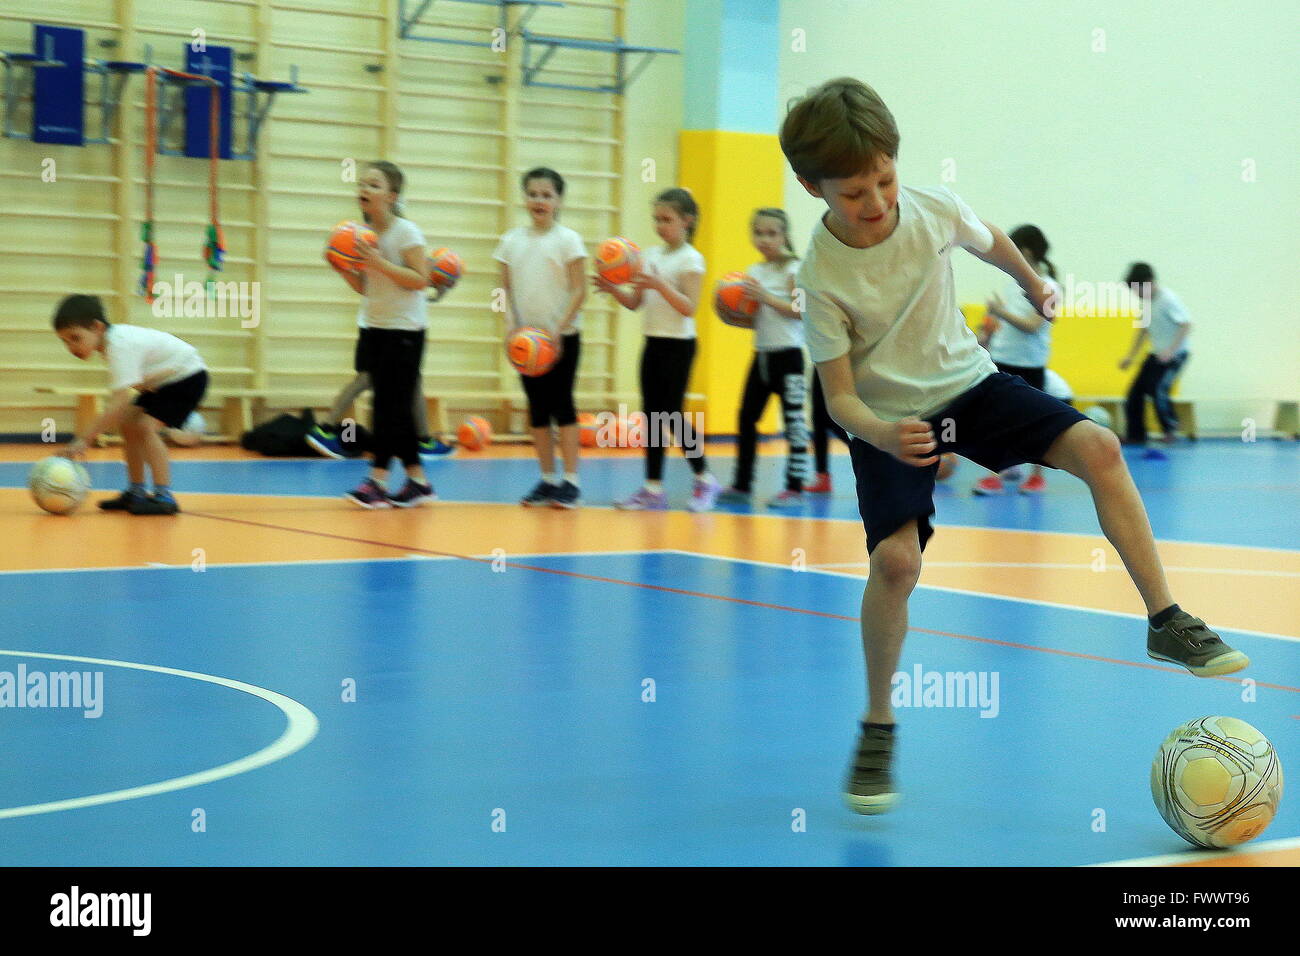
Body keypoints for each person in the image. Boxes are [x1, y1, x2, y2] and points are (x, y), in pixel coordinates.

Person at [781, 77, 1249, 815]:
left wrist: (1031, 285)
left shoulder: (931, 209)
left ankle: (1166, 620)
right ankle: (877, 724)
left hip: (971, 386)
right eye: (852, 192)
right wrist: (880, 432)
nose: (875, 202)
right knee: (896, 563)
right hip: (888, 417)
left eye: (884, 179)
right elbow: (839, 398)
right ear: (813, 187)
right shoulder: (820, 277)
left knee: (1098, 446)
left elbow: (987, 237)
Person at [597, 187, 722, 512]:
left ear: (687, 221)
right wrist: (614, 289)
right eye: (656, 219)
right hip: (652, 342)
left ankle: (705, 479)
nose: (660, 225)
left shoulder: (691, 259)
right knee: (652, 417)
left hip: (679, 347)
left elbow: (689, 307)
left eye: (666, 219)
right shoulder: (649, 255)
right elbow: (635, 302)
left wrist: (659, 284)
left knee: (672, 416)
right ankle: (652, 488)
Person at [333, 161, 435, 508]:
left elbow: (421, 279)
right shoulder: (362, 235)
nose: (365, 189)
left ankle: (377, 481)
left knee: (387, 409)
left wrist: (378, 263)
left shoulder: (406, 232)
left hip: (405, 332)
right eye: (362, 184)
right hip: (374, 327)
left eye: (375, 185)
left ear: (391, 196)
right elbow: (367, 287)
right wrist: (343, 267)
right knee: (395, 408)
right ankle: (418, 481)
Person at [52, 294, 208, 515]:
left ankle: (164, 497)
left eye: (75, 338)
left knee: (145, 427)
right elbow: (122, 406)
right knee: (127, 424)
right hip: (161, 383)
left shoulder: (119, 345)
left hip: (187, 377)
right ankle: (136, 491)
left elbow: (119, 402)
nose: (71, 347)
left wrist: (83, 440)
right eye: (65, 341)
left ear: (97, 327)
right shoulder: (110, 345)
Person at [495, 167, 588, 508]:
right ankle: (548, 479)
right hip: (525, 344)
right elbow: (501, 291)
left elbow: (580, 290)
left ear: (559, 200)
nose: (539, 201)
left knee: (562, 406)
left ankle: (572, 481)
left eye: (546, 195)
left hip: (563, 338)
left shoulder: (568, 240)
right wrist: (508, 329)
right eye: (533, 194)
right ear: (524, 198)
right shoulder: (510, 241)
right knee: (536, 411)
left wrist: (560, 328)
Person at [718, 208, 810, 508]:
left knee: (793, 423)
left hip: (789, 358)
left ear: (784, 236)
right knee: (746, 418)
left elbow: (800, 313)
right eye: (759, 233)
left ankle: (794, 488)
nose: (765, 239)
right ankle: (743, 484)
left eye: (772, 233)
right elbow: (758, 319)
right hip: (762, 357)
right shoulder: (753, 272)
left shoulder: (794, 269)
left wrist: (765, 297)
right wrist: (731, 317)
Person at [971, 224, 1058, 495]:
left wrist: (1001, 312)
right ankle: (999, 472)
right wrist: (985, 332)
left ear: (1028, 252)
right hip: (1002, 361)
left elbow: (1033, 325)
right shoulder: (1013, 285)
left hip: (1029, 364)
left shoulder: (1050, 287)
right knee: (996, 421)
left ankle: (1037, 476)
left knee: (1036, 422)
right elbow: (998, 322)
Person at [1118, 262, 1191, 460]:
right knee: (1135, 392)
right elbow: (1143, 330)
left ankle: (1171, 429)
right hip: (1156, 353)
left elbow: (1186, 325)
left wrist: (1171, 350)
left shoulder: (1168, 299)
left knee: (1158, 389)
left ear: (1149, 283)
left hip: (1176, 355)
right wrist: (1130, 357)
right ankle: (1136, 435)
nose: (1136, 294)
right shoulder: (1147, 302)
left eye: (1138, 289)